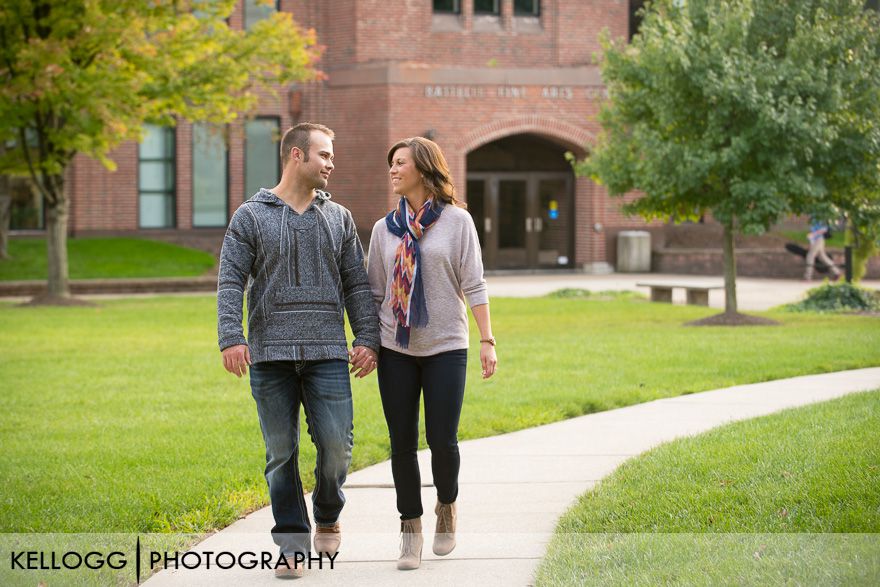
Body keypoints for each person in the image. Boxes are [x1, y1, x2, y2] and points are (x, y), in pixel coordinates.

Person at [217, 122, 380, 579]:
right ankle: (291, 542)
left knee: (336, 447)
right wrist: (231, 335)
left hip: (328, 350)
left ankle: (327, 511)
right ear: (295, 156)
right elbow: (231, 278)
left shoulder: (339, 217)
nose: (331, 163)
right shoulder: (251, 216)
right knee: (281, 451)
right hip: (270, 354)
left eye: (331, 155)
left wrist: (366, 338)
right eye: (324, 154)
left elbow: (356, 283)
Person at [366, 136, 498, 571]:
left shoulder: (458, 223)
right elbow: (374, 293)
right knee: (401, 443)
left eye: (400, 163)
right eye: (391, 164)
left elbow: (474, 284)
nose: (393, 170)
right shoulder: (384, 229)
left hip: (446, 346)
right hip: (396, 348)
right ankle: (410, 531)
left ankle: (446, 505)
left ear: (423, 169)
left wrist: (487, 340)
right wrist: (368, 343)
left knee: (442, 441)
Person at [804, 217, 842, 281]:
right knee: (823, 257)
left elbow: (824, 229)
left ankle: (808, 276)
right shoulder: (813, 216)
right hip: (816, 239)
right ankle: (837, 272)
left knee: (810, 256)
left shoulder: (819, 216)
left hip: (818, 239)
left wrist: (813, 234)